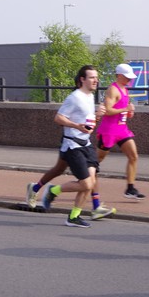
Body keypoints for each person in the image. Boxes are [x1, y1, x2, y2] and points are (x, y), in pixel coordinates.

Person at [35, 66, 104, 228]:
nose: (96, 80)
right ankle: (53, 190)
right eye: (92, 77)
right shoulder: (74, 97)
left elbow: (87, 122)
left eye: (96, 77)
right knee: (86, 184)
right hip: (73, 145)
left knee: (91, 182)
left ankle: (74, 217)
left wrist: (97, 116)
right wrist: (76, 126)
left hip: (86, 144)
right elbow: (58, 118)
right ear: (82, 79)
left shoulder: (90, 96)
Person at [96, 63, 146, 201]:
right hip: (109, 130)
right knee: (96, 160)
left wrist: (129, 112)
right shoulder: (113, 90)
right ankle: (85, 179)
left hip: (122, 129)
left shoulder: (125, 89)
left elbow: (122, 109)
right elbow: (108, 110)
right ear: (119, 75)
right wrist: (125, 109)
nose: (130, 79)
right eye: (127, 76)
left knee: (133, 156)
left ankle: (130, 188)